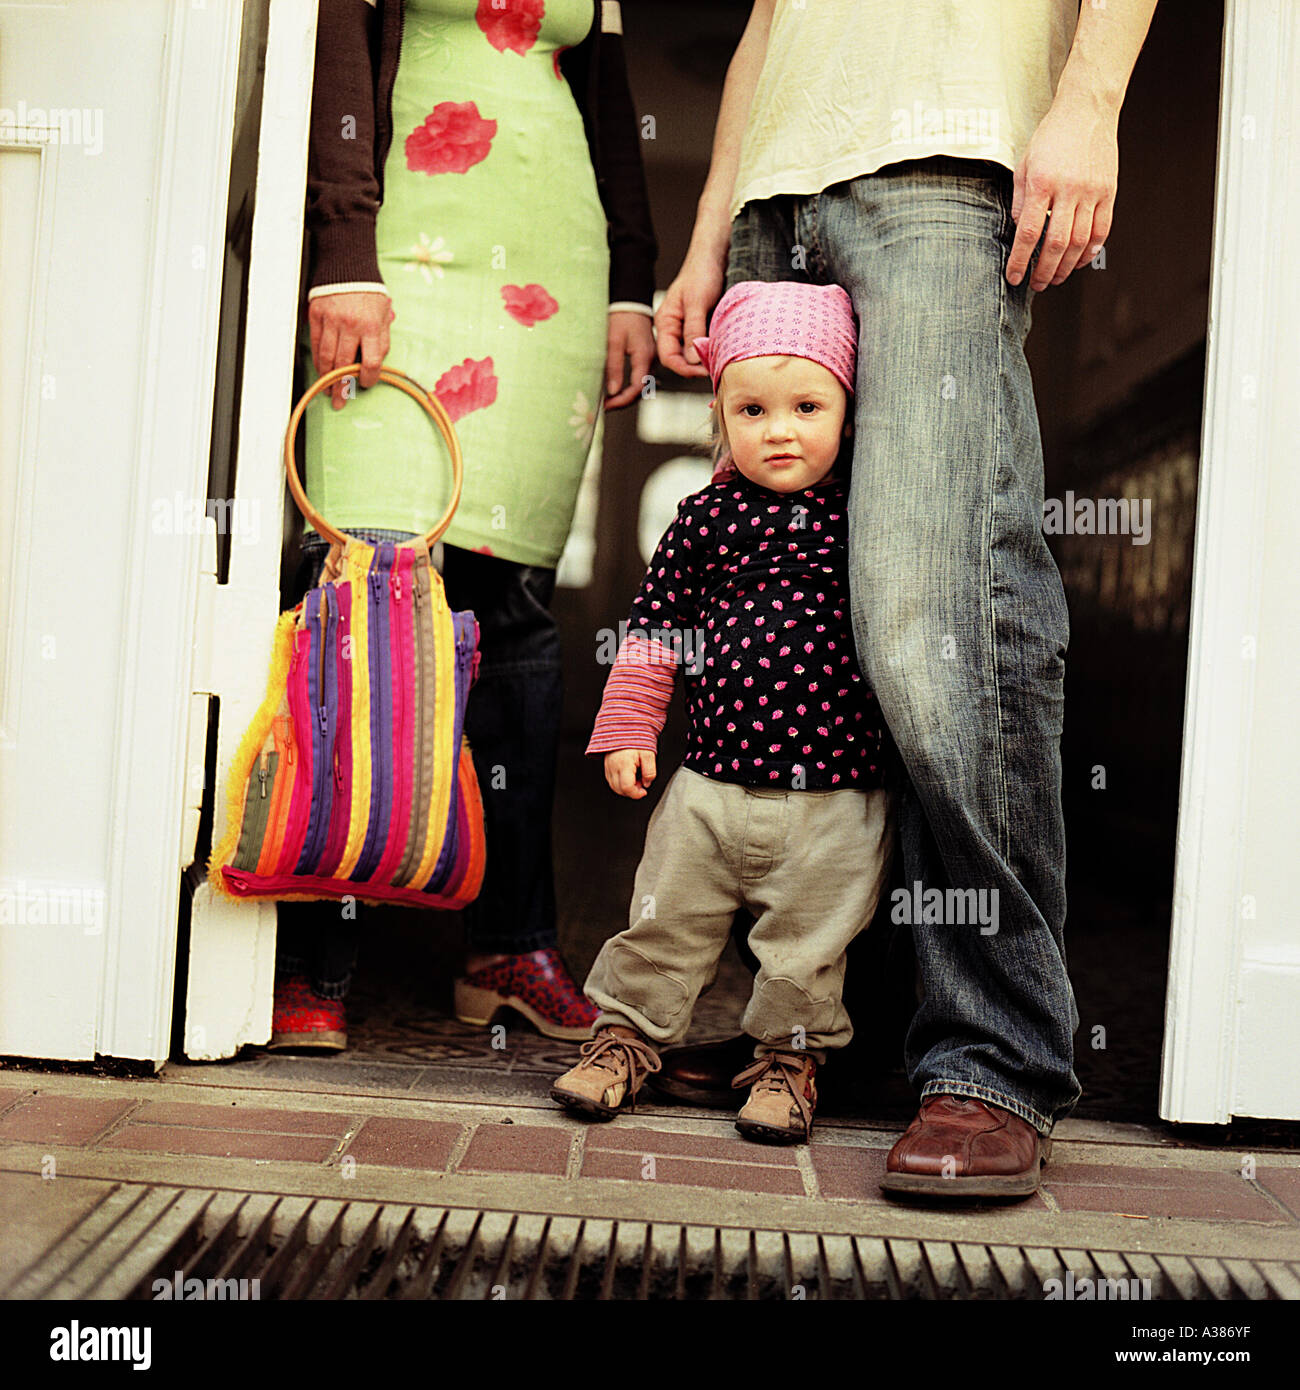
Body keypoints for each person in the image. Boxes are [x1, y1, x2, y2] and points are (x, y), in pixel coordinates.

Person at [653, 0, 1159, 1197]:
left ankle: (992, 1055)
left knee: (936, 618)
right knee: (814, 636)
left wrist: (1088, 99)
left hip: (940, 164)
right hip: (778, 202)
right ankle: (838, 1029)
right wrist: (713, 225)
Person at [271, 0, 657, 1049]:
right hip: (401, 251)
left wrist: (632, 281)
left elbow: (610, 108)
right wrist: (343, 243)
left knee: (515, 610)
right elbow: (338, 54)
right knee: (362, 588)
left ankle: (509, 946)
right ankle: (312, 956)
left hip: (550, 270)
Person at [550, 280, 896, 1144]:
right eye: (752, 409)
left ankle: (787, 1061)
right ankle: (624, 1038)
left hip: (836, 799)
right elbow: (658, 628)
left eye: (807, 405)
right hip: (707, 785)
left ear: (848, 415)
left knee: (807, 955)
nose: (779, 429)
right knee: (663, 921)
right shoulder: (705, 519)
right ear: (722, 418)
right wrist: (631, 728)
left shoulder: (869, 520)